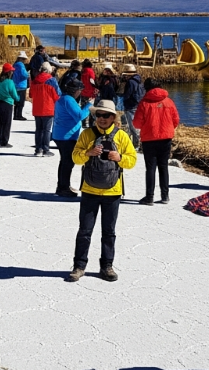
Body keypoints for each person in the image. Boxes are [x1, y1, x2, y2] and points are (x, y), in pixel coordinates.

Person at [67, 100, 137, 283]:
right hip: (90, 190)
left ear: (114, 117)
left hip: (112, 192)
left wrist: (119, 157)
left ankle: (107, 266)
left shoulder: (122, 136)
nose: (102, 119)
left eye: (106, 115)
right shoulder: (87, 134)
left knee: (109, 232)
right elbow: (75, 157)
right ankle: (79, 266)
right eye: (99, 115)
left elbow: (132, 160)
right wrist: (87, 153)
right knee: (84, 231)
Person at [133, 78, 180, 206]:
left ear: (146, 88)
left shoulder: (144, 103)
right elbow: (176, 120)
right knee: (163, 167)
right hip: (166, 138)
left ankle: (149, 197)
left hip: (149, 139)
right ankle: (165, 196)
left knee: (150, 168)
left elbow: (136, 123)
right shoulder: (169, 101)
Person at [52, 79, 93, 198]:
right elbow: (80, 116)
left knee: (65, 162)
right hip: (66, 136)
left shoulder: (63, 98)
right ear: (75, 91)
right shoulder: (68, 100)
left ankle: (63, 185)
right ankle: (63, 188)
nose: (80, 93)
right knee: (68, 163)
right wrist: (89, 105)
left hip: (62, 134)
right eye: (79, 90)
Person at [31, 62, 61, 157]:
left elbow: (31, 94)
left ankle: (38, 149)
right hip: (48, 108)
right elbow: (58, 94)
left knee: (38, 129)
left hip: (37, 108)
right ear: (48, 70)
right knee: (47, 130)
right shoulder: (52, 80)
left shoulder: (35, 80)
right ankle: (46, 149)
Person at [0, 63, 20, 148]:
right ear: (9, 72)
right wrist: (18, 98)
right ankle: (4, 141)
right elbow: (14, 95)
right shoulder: (10, 82)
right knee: (6, 123)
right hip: (7, 104)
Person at [121, 64, 144, 148]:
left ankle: (135, 144)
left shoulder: (130, 82)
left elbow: (127, 95)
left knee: (132, 126)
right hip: (138, 105)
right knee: (136, 125)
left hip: (130, 106)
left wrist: (124, 101)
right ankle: (136, 142)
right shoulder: (139, 81)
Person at [12, 51, 30, 120]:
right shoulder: (21, 65)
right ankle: (19, 115)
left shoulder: (15, 64)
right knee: (21, 102)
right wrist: (28, 74)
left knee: (16, 101)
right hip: (21, 85)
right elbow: (24, 74)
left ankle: (15, 114)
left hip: (15, 84)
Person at [80, 59, 97, 126]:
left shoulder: (82, 72)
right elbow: (92, 81)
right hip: (90, 93)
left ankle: (83, 123)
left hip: (83, 93)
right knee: (91, 109)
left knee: (83, 108)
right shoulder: (90, 71)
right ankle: (91, 124)